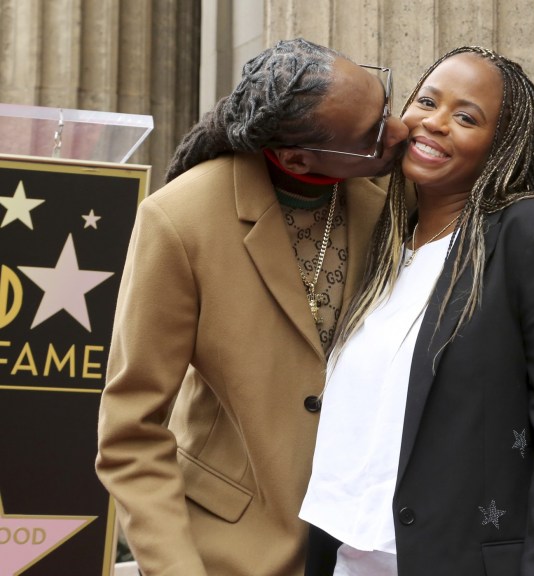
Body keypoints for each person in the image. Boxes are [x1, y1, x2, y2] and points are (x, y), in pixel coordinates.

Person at [95, 38, 408, 576]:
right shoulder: (178, 220)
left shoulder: (390, 209)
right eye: (374, 135)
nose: (401, 131)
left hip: (365, 547)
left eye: (388, 106)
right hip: (231, 553)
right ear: (295, 158)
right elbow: (131, 431)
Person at [300, 46, 534, 576]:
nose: (435, 123)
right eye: (427, 101)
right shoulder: (377, 246)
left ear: (501, 145)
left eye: (467, 117)